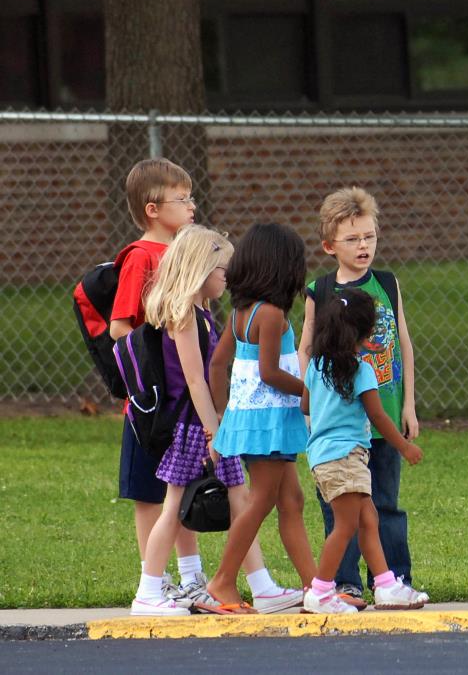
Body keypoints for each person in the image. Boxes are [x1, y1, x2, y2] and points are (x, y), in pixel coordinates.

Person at [297, 187, 419, 609]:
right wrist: (307, 406)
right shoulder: (321, 289)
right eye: (352, 239)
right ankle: (343, 584)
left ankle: (392, 578)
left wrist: (407, 405)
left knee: (384, 503)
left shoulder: (387, 283)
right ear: (330, 245)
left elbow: (403, 342)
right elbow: (307, 349)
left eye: (369, 236)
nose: (363, 246)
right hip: (340, 428)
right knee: (343, 509)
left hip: (383, 413)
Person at [129, 225, 245, 615]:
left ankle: (251, 584)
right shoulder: (184, 316)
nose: (226, 278)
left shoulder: (201, 313)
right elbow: (195, 379)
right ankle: (148, 592)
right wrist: (214, 429)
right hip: (194, 428)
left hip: (205, 425)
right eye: (221, 270)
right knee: (173, 505)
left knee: (236, 496)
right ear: (201, 268)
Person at [109, 158, 208, 607]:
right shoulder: (142, 258)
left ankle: (192, 577)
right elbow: (120, 327)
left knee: (182, 487)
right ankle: (157, 581)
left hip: (183, 402)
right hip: (152, 407)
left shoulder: (179, 253)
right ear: (153, 209)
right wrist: (151, 379)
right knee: (151, 496)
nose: (191, 206)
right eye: (182, 199)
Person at [204, 223, 313, 613]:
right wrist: (311, 394)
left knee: (292, 499)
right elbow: (269, 372)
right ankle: (222, 581)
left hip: (253, 419)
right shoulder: (271, 314)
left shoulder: (240, 314)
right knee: (262, 499)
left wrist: (223, 412)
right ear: (281, 268)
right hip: (270, 424)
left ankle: (315, 588)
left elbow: (218, 365)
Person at [301, 290, 427, 614]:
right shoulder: (360, 370)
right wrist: (404, 447)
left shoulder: (317, 365)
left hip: (323, 455)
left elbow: (305, 404)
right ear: (367, 333)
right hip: (346, 456)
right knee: (345, 527)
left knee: (368, 519)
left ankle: (385, 585)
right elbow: (378, 415)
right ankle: (320, 591)